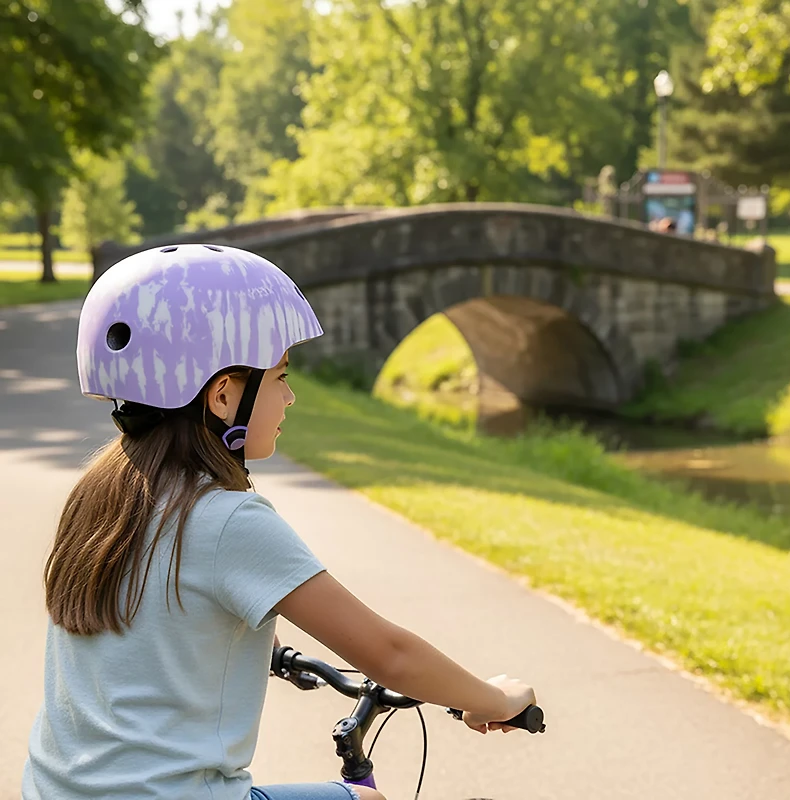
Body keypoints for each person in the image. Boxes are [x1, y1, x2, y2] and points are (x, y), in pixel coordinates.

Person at [22, 244, 536, 800]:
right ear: (223, 396)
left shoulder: (101, 492)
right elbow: (390, 655)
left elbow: (145, 627)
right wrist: (495, 698)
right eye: (279, 376)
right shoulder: (225, 517)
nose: (289, 396)